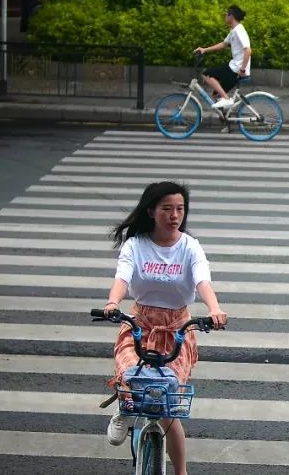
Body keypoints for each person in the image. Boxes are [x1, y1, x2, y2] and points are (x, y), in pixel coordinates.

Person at [102, 181, 228, 475]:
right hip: (140, 324)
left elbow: (202, 281)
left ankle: (181, 471)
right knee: (130, 372)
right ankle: (124, 408)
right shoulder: (136, 245)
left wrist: (214, 309)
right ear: (151, 211)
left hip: (178, 329)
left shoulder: (189, 247)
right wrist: (112, 302)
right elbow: (123, 277)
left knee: (169, 405)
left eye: (180, 209)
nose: (174, 215)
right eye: (167, 209)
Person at [193, 5, 252, 110]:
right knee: (216, 95)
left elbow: (248, 50)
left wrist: (242, 69)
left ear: (231, 16)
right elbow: (223, 45)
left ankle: (226, 98)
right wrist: (204, 49)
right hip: (234, 66)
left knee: (207, 74)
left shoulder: (239, 31)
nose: (225, 16)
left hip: (236, 69)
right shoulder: (234, 31)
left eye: (226, 14)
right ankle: (226, 116)